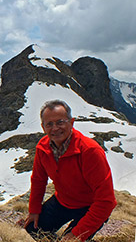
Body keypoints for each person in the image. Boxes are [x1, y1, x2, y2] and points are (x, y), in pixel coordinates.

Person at [23, 100, 117, 241]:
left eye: (60, 122)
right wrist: (34, 210)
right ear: (43, 127)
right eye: (49, 124)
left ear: (71, 122)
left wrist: (76, 233)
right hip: (62, 202)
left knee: (69, 240)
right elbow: (38, 180)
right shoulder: (43, 147)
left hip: (89, 206)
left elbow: (106, 201)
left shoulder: (90, 151)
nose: (55, 128)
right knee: (32, 228)